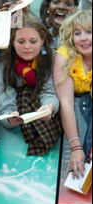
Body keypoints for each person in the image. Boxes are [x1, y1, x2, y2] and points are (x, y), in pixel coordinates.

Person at [0, 14, 61, 156]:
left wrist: (49, 107)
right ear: (12, 42)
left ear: (42, 40)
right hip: (13, 140)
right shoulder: (1, 65)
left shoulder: (52, 57)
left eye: (33, 41)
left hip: (50, 127)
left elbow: (49, 92)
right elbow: (5, 106)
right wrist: (10, 118)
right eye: (21, 41)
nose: (27, 47)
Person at [53, 9, 92, 179]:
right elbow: (66, 103)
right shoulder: (64, 55)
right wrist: (75, 147)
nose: (83, 38)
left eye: (89, 32)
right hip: (77, 115)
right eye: (78, 33)